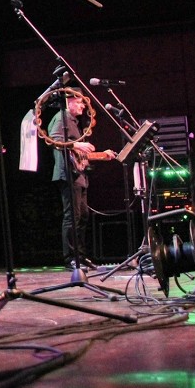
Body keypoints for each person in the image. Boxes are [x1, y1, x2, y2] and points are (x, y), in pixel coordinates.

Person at [49, 91, 113, 269]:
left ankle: (80, 256)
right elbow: (54, 140)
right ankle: (70, 258)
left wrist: (102, 156)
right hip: (68, 175)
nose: (83, 106)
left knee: (83, 215)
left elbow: (77, 155)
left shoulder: (74, 122)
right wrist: (77, 144)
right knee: (72, 216)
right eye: (79, 103)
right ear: (69, 102)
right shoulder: (62, 118)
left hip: (79, 175)